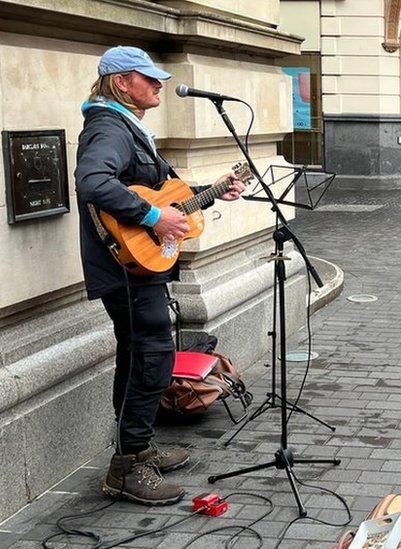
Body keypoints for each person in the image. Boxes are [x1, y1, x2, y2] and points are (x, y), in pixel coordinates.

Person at [76, 46, 246, 505]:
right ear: (120, 83)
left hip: (137, 268)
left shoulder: (126, 127)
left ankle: (138, 448)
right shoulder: (109, 127)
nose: (158, 85)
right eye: (147, 78)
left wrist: (211, 194)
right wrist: (152, 217)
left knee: (139, 355)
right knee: (151, 357)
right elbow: (93, 182)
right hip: (127, 270)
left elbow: (167, 198)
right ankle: (126, 468)